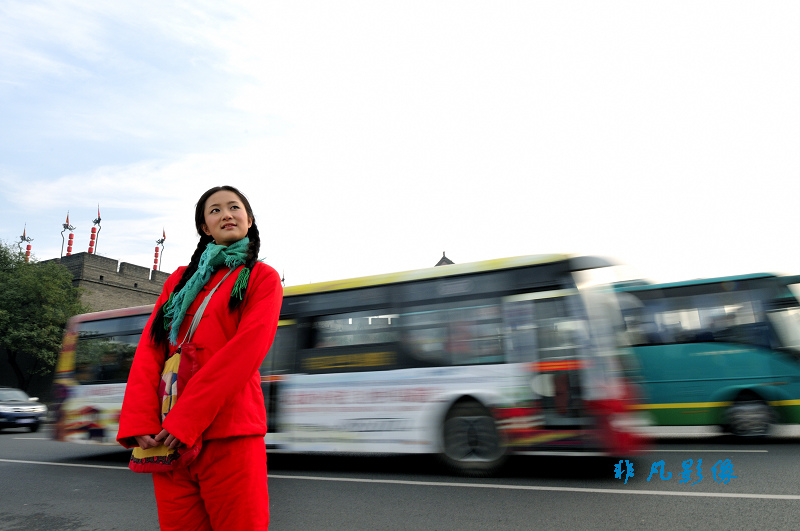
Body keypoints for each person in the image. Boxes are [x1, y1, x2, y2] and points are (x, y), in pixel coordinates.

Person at [117, 185, 283, 530]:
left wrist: (186, 420)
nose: (226, 214)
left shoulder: (261, 278)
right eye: (215, 210)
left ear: (249, 220)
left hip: (230, 433)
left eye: (234, 207)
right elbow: (152, 348)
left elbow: (245, 352)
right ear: (204, 228)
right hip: (167, 436)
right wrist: (139, 421)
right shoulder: (179, 279)